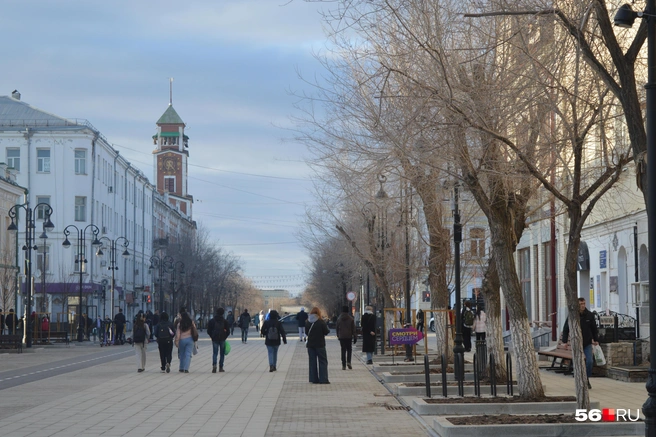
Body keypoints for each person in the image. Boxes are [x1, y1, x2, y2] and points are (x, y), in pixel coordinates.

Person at [561, 297, 599, 389]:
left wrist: (596, 339)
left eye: (584, 304)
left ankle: (586, 378)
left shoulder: (589, 315)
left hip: (587, 342)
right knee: (578, 361)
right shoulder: (573, 315)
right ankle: (580, 379)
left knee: (589, 361)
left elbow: (594, 329)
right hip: (576, 342)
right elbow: (566, 329)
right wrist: (564, 342)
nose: (583, 306)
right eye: (581, 304)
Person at [305, 307, 330, 384]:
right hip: (320, 344)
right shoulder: (321, 322)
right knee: (322, 361)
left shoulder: (307, 322)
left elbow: (306, 332)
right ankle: (323, 379)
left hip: (310, 345)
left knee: (312, 361)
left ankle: (313, 378)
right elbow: (326, 332)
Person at [207, 308, 230, 373]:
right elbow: (228, 331)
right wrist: (224, 336)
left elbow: (208, 330)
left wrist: (212, 336)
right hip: (222, 338)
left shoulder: (212, 321)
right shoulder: (225, 321)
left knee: (215, 353)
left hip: (215, 338)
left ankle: (214, 365)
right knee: (222, 353)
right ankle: (221, 367)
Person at [336, 306, 356, 370]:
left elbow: (337, 328)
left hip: (342, 336)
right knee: (349, 349)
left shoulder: (339, 319)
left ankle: (343, 364)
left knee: (343, 350)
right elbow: (353, 329)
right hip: (348, 336)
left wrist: (338, 335)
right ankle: (349, 362)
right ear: (348, 311)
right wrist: (355, 336)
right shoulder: (351, 319)